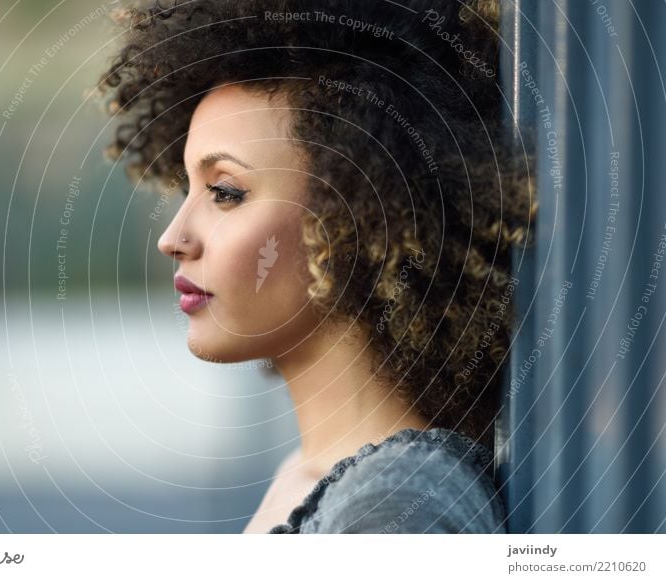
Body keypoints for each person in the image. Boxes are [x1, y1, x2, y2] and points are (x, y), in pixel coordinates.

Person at [97, 0, 536, 533]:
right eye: (188, 189)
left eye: (226, 193)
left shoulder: (396, 508)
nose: (173, 239)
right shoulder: (319, 482)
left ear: (359, 216)